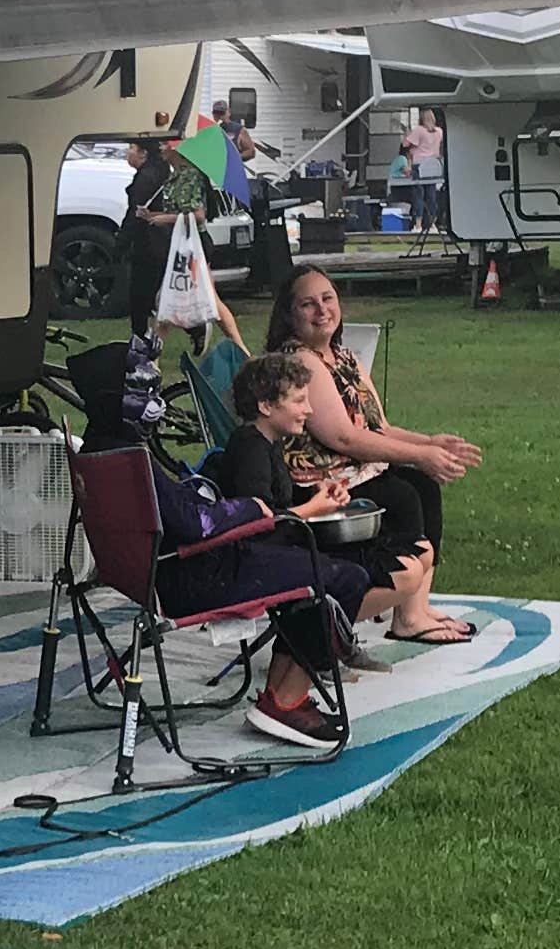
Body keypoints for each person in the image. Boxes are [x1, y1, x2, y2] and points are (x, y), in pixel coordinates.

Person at [263, 264, 478, 642]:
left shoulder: (343, 357)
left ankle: (416, 607)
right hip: (319, 483)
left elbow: (378, 427)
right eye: (308, 304)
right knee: (402, 495)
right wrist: (417, 455)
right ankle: (407, 616)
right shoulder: (301, 360)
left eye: (328, 299)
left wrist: (429, 444)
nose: (322, 310)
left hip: (353, 470)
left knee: (422, 485)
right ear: (289, 315)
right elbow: (342, 438)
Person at [213, 349, 453, 654]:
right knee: (406, 571)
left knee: (420, 552)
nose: (309, 410)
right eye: (299, 401)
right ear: (266, 406)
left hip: (287, 546)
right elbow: (258, 520)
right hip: (266, 559)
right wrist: (314, 508)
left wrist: (319, 490)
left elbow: (276, 498)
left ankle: (325, 640)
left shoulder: (267, 441)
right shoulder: (250, 449)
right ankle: (318, 639)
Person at [145, 434, 372, 755]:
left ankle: (278, 698)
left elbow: (183, 511)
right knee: (346, 579)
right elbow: (194, 523)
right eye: (300, 404)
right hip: (199, 578)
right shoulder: (134, 458)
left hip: (182, 570)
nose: (308, 411)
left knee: (314, 570)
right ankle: (287, 702)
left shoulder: (109, 450)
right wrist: (250, 508)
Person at [121, 118, 218, 326]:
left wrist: (163, 218)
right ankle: (159, 341)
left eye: (166, 144)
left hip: (195, 244)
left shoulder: (190, 176)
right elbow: (176, 211)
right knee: (170, 299)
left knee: (207, 300)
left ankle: (218, 336)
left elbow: (198, 215)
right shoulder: (173, 176)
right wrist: (151, 215)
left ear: (178, 148)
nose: (162, 148)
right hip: (179, 243)